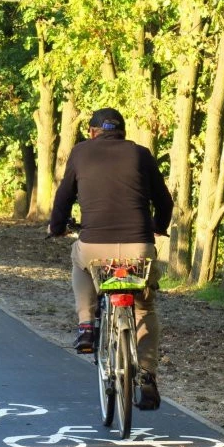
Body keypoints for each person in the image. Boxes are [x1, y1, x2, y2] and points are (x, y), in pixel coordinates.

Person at [48, 107, 173, 410]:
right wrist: (157, 227)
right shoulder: (141, 155)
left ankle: (86, 324)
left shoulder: (80, 153)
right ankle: (146, 375)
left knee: (78, 258)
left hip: (95, 247)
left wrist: (57, 226)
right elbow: (164, 201)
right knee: (143, 307)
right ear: (123, 132)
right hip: (137, 249)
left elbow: (64, 196)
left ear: (92, 132)